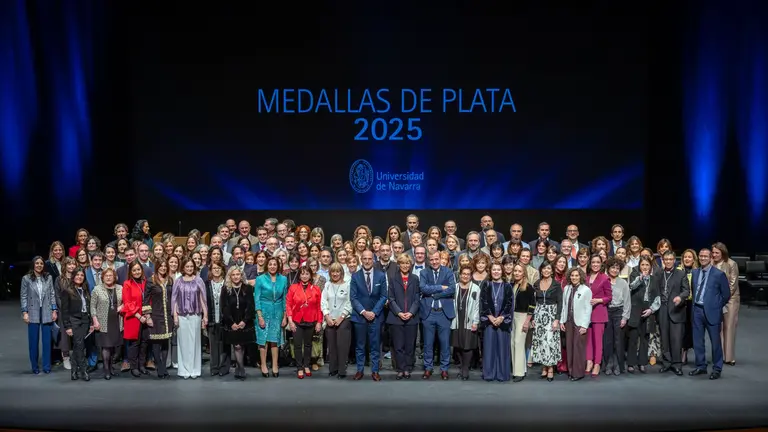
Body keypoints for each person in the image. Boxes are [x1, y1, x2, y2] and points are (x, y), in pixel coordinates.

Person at [688, 249, 730, 380]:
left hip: (712, 312)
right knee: (697, 341)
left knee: (715, 342)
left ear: (711, 257)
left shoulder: (719, 274)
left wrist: (716, 306)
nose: (703, 258)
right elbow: (694, 291)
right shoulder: (694, 273)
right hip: (697, 311)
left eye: (706, 256)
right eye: (701, 256)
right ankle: (701, 366)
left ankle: (717, 368)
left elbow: (726, 294)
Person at [349, 250, 387, 381]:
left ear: (373, 260)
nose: (366, 261)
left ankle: (375, 371)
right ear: (361, 260)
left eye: (369, 259)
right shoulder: (355, 276)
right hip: (360, 317)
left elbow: (383, 296)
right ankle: (360, 370)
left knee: (375, 346)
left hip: (376, 317)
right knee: (360, 345)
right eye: (364, 258)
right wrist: (364, 312)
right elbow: (353, 298)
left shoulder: (381, 276)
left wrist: (374, 312)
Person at [419, 251, 457, 380]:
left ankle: (444, 369)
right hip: (428, 313)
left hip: (443, 313)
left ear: (440, 259)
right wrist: (441, 287)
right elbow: (423, 288)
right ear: (429, 260)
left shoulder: (448, 272)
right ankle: (428, 368)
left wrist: (436, 294)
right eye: (432, 260)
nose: (434, 262)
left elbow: (452, 289)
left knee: (445, 343)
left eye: (436, 259)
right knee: (428, 344)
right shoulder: (424, 272)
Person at [20, 257, 58, 375]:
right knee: (33, 341)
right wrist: (25, 312)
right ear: (33, 265)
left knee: (47, 341)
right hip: (33, 311)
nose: (39, 265)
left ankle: (46, 366)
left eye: (41, 263)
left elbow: (52, 294)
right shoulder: (26, 279)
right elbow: (24, 296)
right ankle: (35, 366)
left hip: (46, 310)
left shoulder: (48, 277)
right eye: (37, 263)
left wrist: (54, 310)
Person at [171, 258, 208, 379]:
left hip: (195, 316)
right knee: (183, 342)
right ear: (183, 268)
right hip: (182, 316)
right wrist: (175, 316)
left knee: (195, 342)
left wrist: (205, 316)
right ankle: (184, 369)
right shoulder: (178, 281)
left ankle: (194, 369)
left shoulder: (199, 280)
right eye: (187, 266)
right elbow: (174, 299)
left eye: (191, 266)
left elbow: (203, 299)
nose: (189, 268)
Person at [655, 251, 690, 376]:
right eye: (666, 259)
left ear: (674, 260)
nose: (668, 261)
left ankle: (677, 364)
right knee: (664, 338)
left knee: (676, 340)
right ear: (663, 260)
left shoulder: (681, 274)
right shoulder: (659, 273)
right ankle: (666, 363)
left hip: (676, 310)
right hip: (662, 310)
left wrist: (680, 298)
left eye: (671, 259)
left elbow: (686, 291)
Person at [387, 253, 421, 380]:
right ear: (399, 265)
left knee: (409, 345)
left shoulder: (415, 278)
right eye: (403, 263)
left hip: (412, 317)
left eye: (407, 263)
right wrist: (399, 312)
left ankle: (407, 368)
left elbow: (417, 298)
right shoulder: (393, 278)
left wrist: (411, 312)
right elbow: (391, 298)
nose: (405, 265)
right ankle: (400, 369)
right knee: (398, 345)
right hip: (396, 318)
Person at [286, 266, 323, 379]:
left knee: (308, 344)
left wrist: (319, 322)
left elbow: (319, 307)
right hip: (297, 320)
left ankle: (307, 365)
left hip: (311, 320)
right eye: (302, 274)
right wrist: (290, 321)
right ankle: (299, 367)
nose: (304, 276)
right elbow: (288, 305)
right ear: (299, 275)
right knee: (297, 345)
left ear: (310, 275)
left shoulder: (316, 289)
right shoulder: (293, 288)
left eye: (307, 274)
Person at [479, 262, 514, 382]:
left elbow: (509, 304)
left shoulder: (507, 286)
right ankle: (489, 374)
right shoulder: (486, 285)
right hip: (489, 321)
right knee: (489, 348)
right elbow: (483, 301)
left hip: (502, 321)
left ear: (502, 271)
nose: (496, 272)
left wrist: (501, 317)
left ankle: (502, 374)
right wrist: (490, 316)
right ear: (490, 271)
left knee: (502, 349)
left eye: (498, 270)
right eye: (494, 269)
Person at [254, 256, 288, 378]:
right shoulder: (260, 279)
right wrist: (260, 316)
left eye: (275, 264)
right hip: (263, 310)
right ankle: (263, 365)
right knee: (263, 340)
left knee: (275, 339)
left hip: (277, 312)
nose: (272, 266)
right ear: (267, 266)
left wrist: (285, 316)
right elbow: (256, 298)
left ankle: (274, 365)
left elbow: (285, 298)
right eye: (270, 264)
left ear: (277, 266)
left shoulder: (283, 279)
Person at [221, 266, 256, 380]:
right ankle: (240, 367)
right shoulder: (226, 289)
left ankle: (239, 367)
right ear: (230, 277)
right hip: (231, 321)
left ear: (242, 276)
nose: (236, 277)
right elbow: (224, 307)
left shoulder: (248, 288)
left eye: (238, 274)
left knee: (242, 345)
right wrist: (231, 322)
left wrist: (244, 321)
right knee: (236, 346)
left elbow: (251, 306)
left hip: (245, 321)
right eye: (233, 275)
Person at [560, 268, 592, 381]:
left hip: (579, 323)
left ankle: (577, 373)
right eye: (572, 275)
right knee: (569, 347)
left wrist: (584, 325)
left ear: (581, 277)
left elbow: (588, 309)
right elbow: (564, 305)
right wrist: (561, 321)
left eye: (576, 276)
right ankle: (570, 370)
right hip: (568, 321)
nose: (574, 277)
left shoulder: (586, 290)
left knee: (578, 348)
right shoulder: (567, 288)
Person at [143, 260, 174, 379]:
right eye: (161, 266)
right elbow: (145, 299)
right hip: (156, 315)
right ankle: (160, 367)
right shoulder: (151, 281)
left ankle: (164, 367)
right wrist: (148, 316)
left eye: (165, 266)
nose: (163, 268)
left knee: (166, 342)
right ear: (157, 267)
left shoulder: (170, 280)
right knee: (156, 343)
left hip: (168, 316)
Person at [90, 268, 123, 380]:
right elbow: (92, 307)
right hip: (103, 321)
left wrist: (122, 307)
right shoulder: (97, 289)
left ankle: (111, 368)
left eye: (111, 275)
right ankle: (106, 370)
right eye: (106, 276)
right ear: (102, 277)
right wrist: (95, 320)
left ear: (114, 277)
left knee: (113, 346)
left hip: (116, 321)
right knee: (106, 346)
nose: (108, 277)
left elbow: (125, 302)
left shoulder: (120, 288)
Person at [321, 262, 353, 379]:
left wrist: (341, 317)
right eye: (333, 272)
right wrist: (327, 316)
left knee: (342, 346)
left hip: (343, 319)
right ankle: (333, 369)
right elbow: (323, 301)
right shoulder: (327, 285)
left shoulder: (347, 285)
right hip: (330, 319)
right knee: (332, 346)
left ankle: (341, 371)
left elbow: (350, 303)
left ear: (342, 273)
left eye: (337, 271)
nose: (335, 274)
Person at [61, 268, 93, 381]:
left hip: (85, 320)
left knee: (77, 345)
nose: (79, 277)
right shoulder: (67, 290)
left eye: (81, 275)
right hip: (74, 320)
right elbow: (64, 311)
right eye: (77, 275)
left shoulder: (86, 289)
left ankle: (74, 370)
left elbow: (89, 306)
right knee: (80, 345)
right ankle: (83, 370)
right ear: (73, 276)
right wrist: (67, 326)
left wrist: (91, 322)